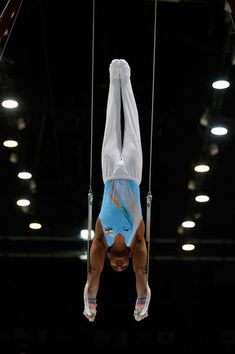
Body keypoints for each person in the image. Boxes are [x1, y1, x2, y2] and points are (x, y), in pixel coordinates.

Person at [83, 59, 151, 322]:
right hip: (133, 174)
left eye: (114, 266)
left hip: (109, 173)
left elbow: (93, 275)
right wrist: (141, 303)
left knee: (111, 121)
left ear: (109, 258)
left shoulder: (102, 240)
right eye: (123, 266)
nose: (119, 266)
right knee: (132, 124)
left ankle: (115, 76)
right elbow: (141, 276)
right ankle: (127, 77)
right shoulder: (138, 241)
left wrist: (90, 302)